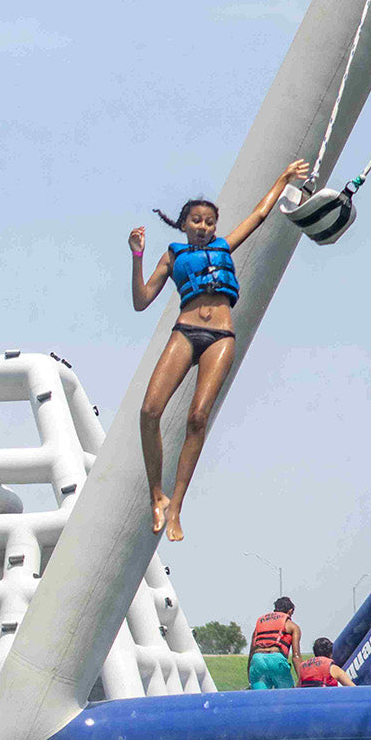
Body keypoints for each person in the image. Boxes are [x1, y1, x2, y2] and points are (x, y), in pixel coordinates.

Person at [128, 158, 309, 540]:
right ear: (183, 224)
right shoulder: (174, 256)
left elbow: (260, 215)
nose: (204, 227)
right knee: (148, 411)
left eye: (210, 221)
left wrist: (283, 177)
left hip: (220, 336)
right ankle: (155, 493)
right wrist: (137, 256)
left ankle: (175, 507)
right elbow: (142, 300)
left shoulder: (225, 246)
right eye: (196, 221)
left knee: (198, 417)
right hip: (186, 330)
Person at [247, 597, 301, 690]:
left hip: (257, 660)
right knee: (286, 698)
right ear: (290, 611)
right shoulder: (292, 626)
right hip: (276, 660)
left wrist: (249, 673)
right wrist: (301, 679)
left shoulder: (260, 624)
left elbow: (252, 651)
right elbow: (296, 657)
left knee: (260, 700)